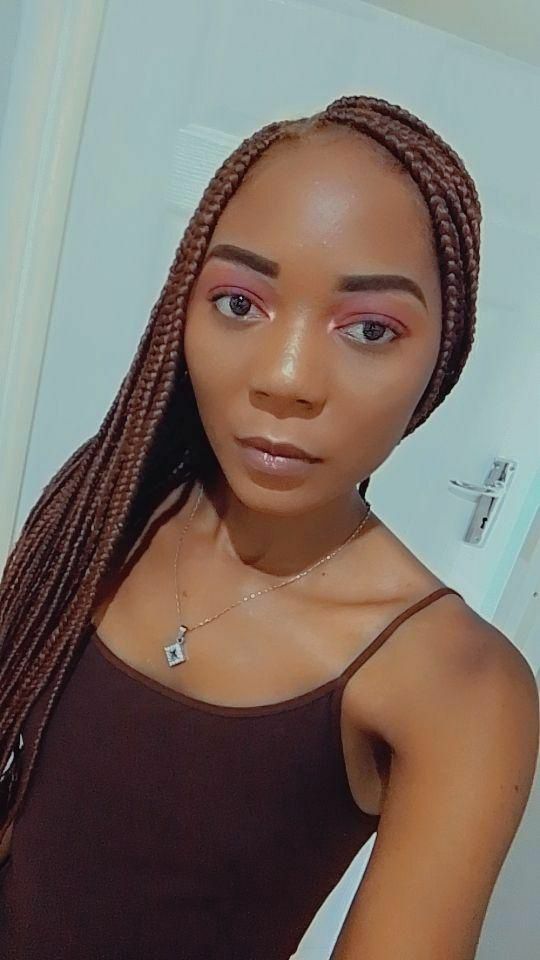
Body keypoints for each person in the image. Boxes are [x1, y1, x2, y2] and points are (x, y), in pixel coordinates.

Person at [0, 93, 538, 960]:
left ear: (442, 356)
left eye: (371, 328)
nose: (286, 378)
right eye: (240, 304)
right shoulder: (102, 518)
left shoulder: (457, 685)